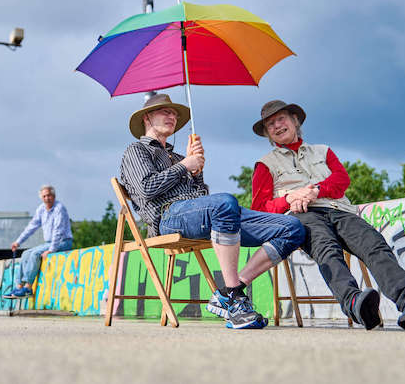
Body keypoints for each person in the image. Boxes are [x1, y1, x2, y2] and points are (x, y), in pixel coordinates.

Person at [250, 99, 405, 330]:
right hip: (302, 216)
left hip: (339, 210)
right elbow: (260, 208)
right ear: (267, 134)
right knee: (326, 248)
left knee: (374, 244)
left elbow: (341, 180)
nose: (276, 126)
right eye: (270, 124)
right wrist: (290, 198)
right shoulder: (265, 164)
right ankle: (354, 302)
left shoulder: (322, 151)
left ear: (295, 121)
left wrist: (315, 190)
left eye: (281, 119)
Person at [120, 93, 305, 330]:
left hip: (200, 215)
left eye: (175, 113)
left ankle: (229, 292)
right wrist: (185, 165)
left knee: (292, 228)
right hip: (167, 217)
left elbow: (201, 197)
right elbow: (146, 189)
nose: (172, 116)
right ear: (147, 117)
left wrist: (197, 172)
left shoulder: (177, 156)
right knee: (224, 202)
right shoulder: (136, 150)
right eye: (166, 112)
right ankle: (237, 304)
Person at [6, 185, 73, 297]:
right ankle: (19, 287)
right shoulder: (41, 209)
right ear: (41, 198)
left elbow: (58, 231)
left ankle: (28, 288)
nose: (47, 198)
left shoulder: (59, 208)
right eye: (44, 196)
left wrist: (52, 250)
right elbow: (31, 227)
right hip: (49, 242)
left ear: (54, 196)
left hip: (63, 241)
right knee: (25, 254)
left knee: (35, 254)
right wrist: (18, 242)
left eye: (49, 195)